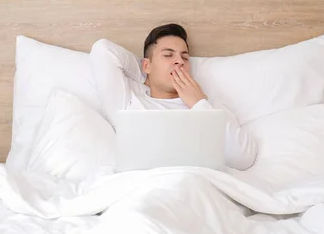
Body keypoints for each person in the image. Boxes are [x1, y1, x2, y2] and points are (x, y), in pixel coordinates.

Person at [89, 23, 258, 170]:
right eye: (168, 55)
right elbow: (103, 50)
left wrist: (198, 103)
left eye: (185, 57)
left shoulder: (207, 105)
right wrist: (146, 75)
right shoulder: (129, 103)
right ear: (146, 65)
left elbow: (243, 158)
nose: (179, 61)